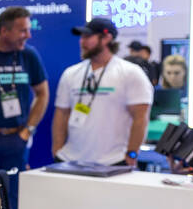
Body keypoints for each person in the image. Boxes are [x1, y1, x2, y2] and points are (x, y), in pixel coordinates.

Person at [53, 18, 153, 166]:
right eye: (81, 37)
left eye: (88, 37)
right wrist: (57, 151)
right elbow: (61, 114)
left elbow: (140, 118)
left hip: (113, 161)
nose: (82, 42)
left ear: (106, 38)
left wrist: (132, 153)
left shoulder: (131, 73)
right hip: (70, 160)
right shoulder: (71, 73)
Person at [0, 6, 48, 209]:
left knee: (13, 198)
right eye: (23, 31)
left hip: (15, 138)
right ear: (4, 31)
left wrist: (27, 131)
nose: (28, 36)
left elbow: (42, 93)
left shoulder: (28, 55)